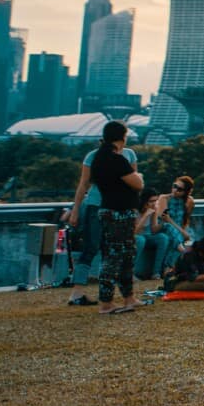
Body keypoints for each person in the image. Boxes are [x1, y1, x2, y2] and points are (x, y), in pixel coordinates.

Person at [66, 121, 146, 315]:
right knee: (106, 252)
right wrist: (75, 209)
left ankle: (127, 297)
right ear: (122, 137)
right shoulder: (113, 159)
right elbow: (137, 183)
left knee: (121, 254)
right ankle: (101, 299)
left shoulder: (103, 158)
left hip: (109, 208)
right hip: (113, 209)